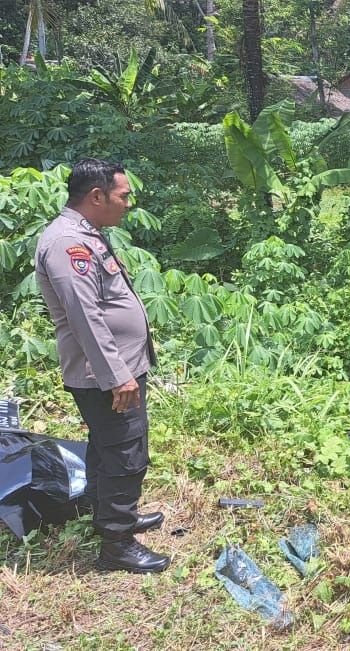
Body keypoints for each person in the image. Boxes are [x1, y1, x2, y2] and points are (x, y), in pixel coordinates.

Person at [34, 159, 169, 574]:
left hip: (116, 369)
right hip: (105, 375)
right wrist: (118, 376)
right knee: (126, 453)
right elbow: (85, 317)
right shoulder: (66, 244)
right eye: (123, 195)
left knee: (107, 446)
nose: (129, 203)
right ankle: (117, 543)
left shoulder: (86, 234)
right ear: (97, 196)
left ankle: (110, 514)